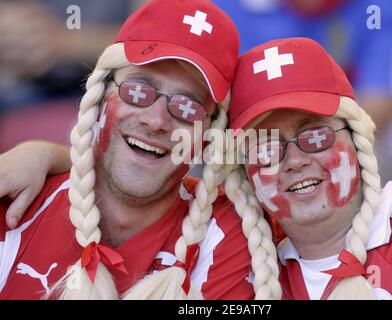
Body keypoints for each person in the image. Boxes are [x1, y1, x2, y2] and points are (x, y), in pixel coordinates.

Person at [0, 0, 281, 300]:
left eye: (187, 107)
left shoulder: (229, 236)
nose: (156, 120)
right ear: (100, 98)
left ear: (210, 135)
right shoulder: (19, 201)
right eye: (138, 91)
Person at [224, 38, 392, 299]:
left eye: (316, 136)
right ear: (245, 172)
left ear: (357, 140)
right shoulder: (240, 278)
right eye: (266, 149)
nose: (296, 161)